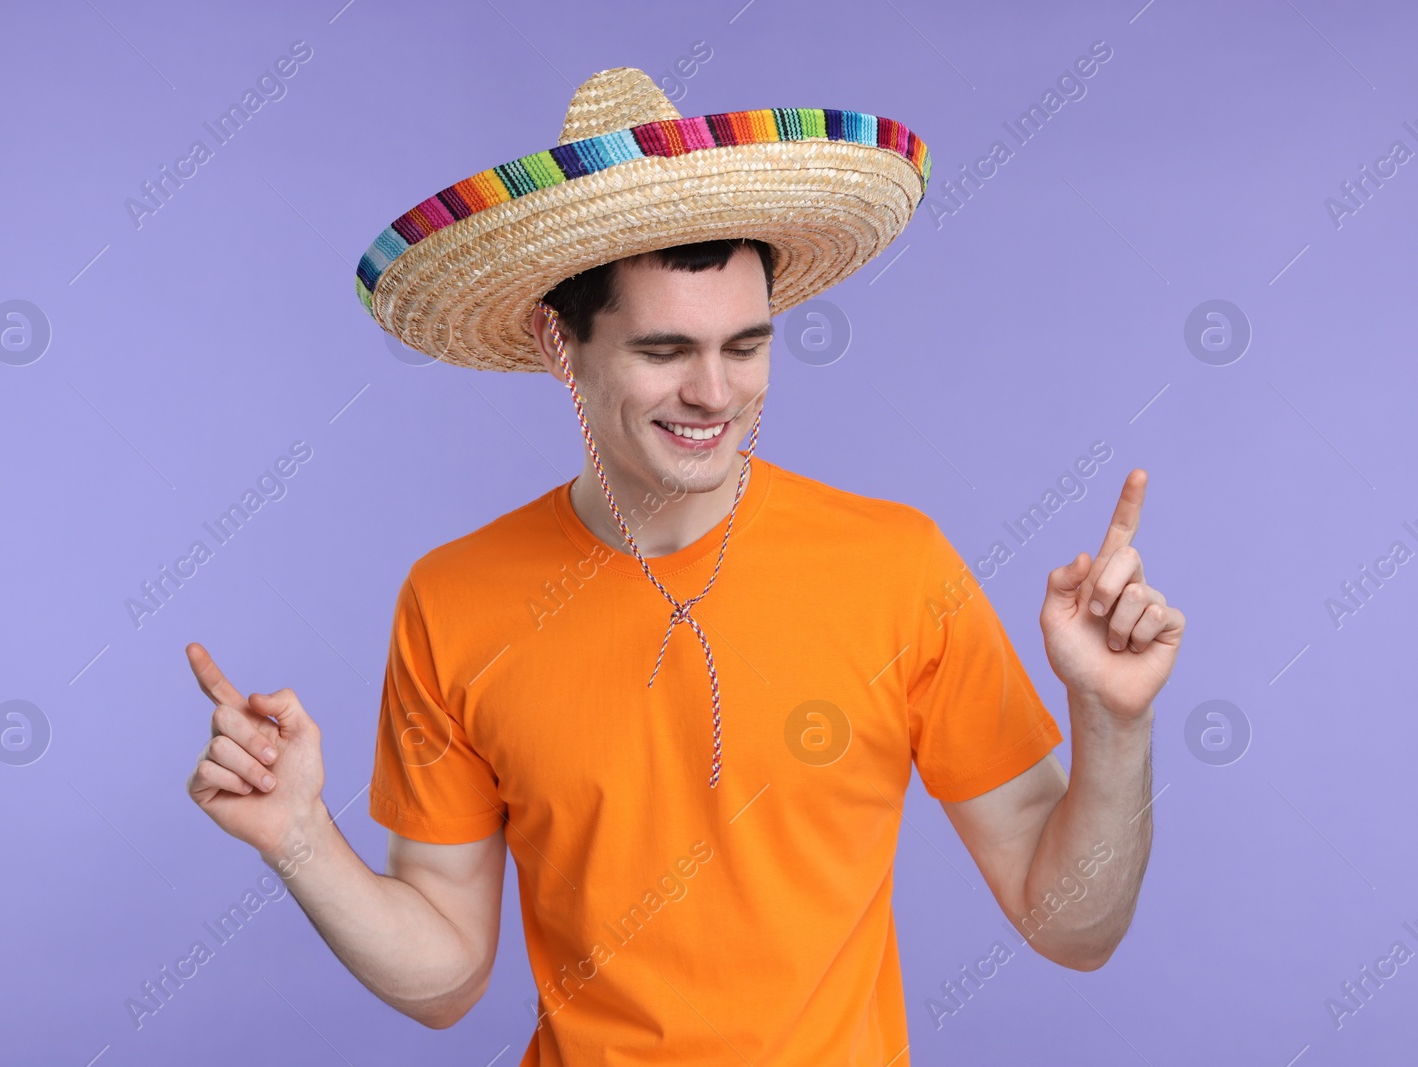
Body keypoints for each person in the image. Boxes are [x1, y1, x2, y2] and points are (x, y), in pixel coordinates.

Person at [184, 68, 1184, 1066]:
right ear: (558, 342)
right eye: (664, 349)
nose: (714, 392)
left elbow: (1072, 926)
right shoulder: (452, 598)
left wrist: (1112, 720)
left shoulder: (897, 565)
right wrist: (301, 838)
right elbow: (445, 977)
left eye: (744, 345)